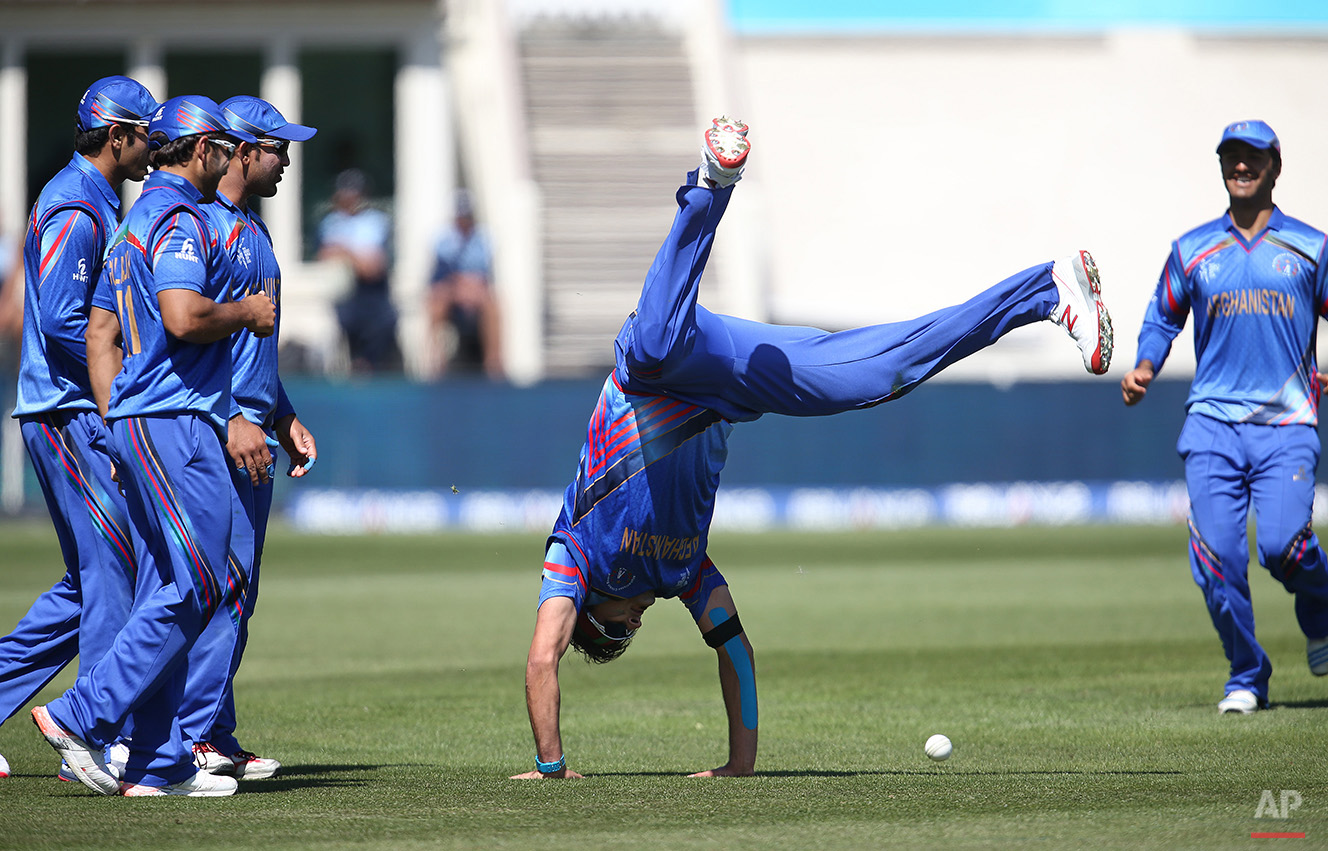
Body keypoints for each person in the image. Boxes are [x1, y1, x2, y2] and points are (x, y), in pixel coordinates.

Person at [512, 116, 1114, 780]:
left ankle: (712, 182)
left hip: (652, 372)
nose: (635, 622)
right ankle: (1046, 291)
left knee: (654, 336)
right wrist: (741, 764)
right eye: (630, 631)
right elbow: (734, 648)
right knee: (875, 376)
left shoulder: (573, 550)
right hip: (729, 385)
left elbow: (543, 657)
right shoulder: (682, 573)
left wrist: (552, 765)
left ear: (592, 614)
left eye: (620, 627)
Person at [33, 94, 273, 797]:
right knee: (199, 578)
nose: (231, 160)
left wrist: (113, 416)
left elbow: (102, 334)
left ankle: (155, 761)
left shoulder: (131, 220)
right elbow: (182, 314)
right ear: (200, 150)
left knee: (175, 580)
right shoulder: (176, 219)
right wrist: (245, 312)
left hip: (144, 418)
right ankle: (84, 714)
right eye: (224, 148)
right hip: (175, 421)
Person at [1121, 120, 1328, 715]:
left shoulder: (1311, 247)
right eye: (1231, 157)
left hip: (1287, 426)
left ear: (1275, 166)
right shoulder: (1193, 250)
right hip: (1212, 424)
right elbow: (1163, 317)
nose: (1241, 166)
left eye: (1252, 157)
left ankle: (1319, 611)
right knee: (1216, 559)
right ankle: (1246, 673)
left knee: (1286, 546)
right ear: (1221, 166)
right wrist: (1144, 365)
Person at [0, 76, 158, 781]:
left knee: (88, 580)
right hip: (66, 410)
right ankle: (90, 735)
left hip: (65, 408)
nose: (156, 146)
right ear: (116, 137)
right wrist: (126, 382)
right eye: (146, 134)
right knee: (112, 572)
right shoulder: (76, 204)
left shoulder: (90, 198)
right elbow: (66, 321)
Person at [176, 94, 319, 782]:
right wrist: (234, 416)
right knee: (215, 584)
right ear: (242, 149)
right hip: (215, 433)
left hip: (255, 428)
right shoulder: (201, 226)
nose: (287, 158)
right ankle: (189, 734)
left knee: (238, 589)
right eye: (278, 147)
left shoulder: (254, 230)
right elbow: (190, 337)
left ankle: (215, 730)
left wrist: (283, 413)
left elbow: (251, 346)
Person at [317, 168, 401, 373]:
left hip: (373, 291)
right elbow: (325, 255)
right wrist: (355, 257)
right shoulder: (331, 222)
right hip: (345, 292)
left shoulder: (375, 220)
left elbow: (373, 266)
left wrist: (346, 252)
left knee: (381, 327)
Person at [426, 189, 502, 378]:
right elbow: (441, 276)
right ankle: (435, 361)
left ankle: (494, 363)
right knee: (436, 300)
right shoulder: (443, 239)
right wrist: (460, 287)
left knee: (493, 302)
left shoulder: (484, 238)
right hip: (451, 291)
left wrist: (468, 288)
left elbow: (483, 275)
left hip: (475, 291)